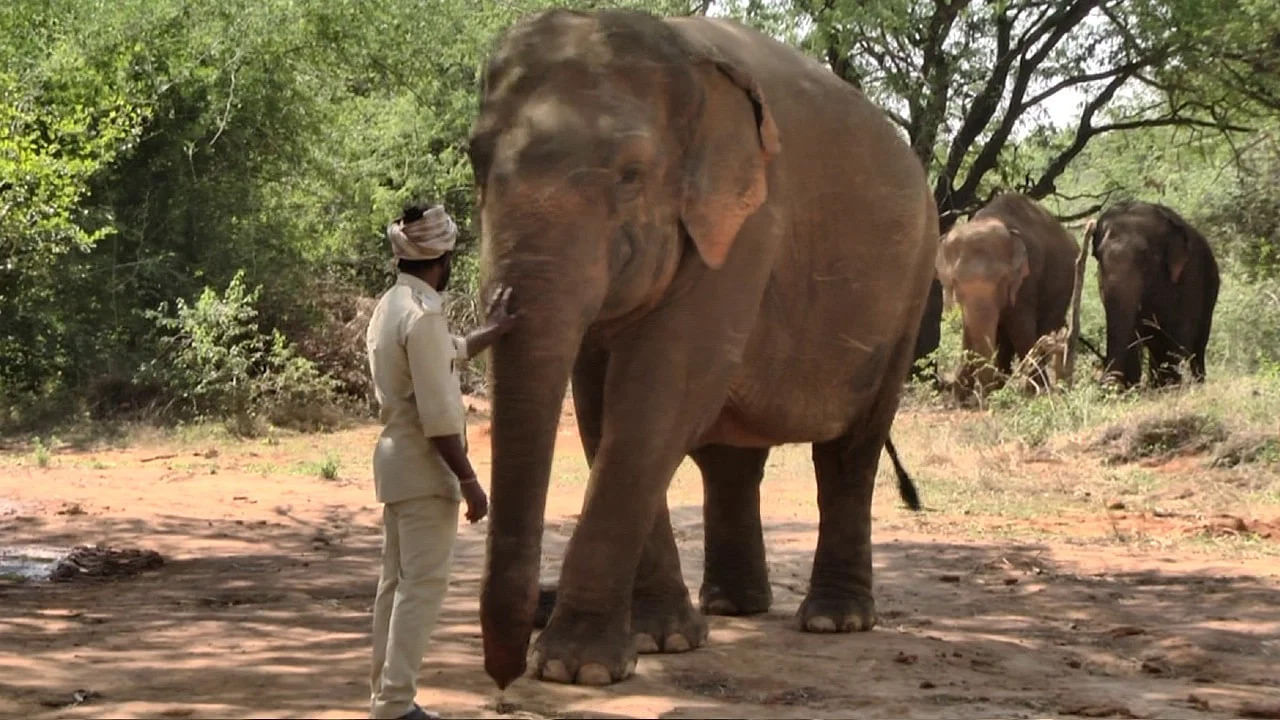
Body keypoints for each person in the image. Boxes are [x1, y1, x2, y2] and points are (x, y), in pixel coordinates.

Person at [365, 203, 517, 720]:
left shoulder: (392, 305)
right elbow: (438, 414)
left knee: (395, 587)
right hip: (426, 470)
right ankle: (396, 704)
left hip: (395, 464)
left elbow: (445, 351)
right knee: (420, 589)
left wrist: (490, 332)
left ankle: (386, 698)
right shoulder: (424, 312)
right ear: (442, 257)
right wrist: (470, 480)